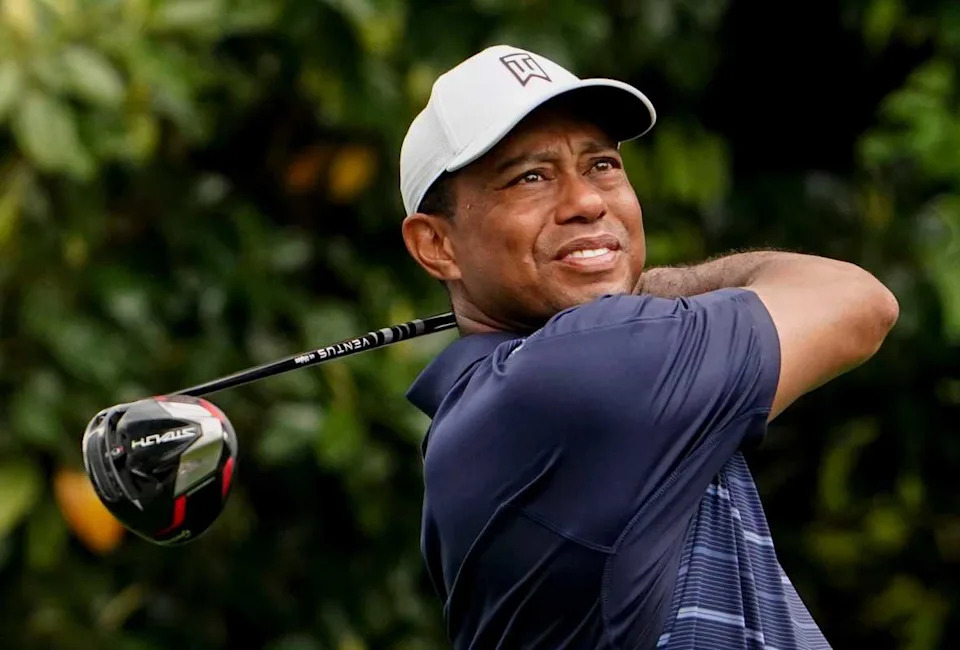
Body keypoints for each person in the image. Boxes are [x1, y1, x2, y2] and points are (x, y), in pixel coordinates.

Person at [398, 45, 898, 650]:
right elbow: (858, 300)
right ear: (437, 247)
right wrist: (661, 287)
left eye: (602, 165)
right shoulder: (572, 378)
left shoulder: (489, 403)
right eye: (530, 177)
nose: (586, 201)